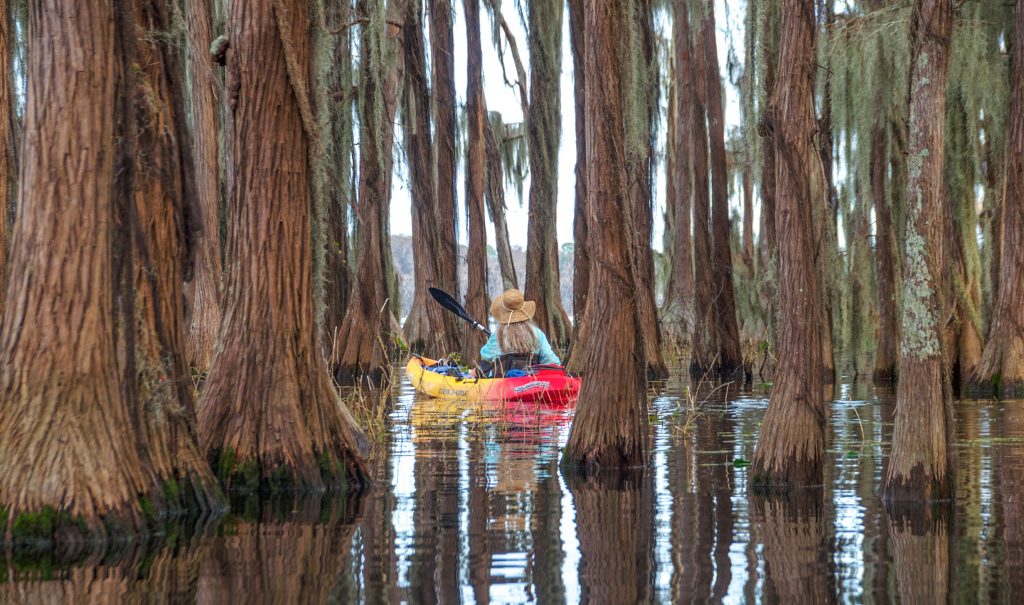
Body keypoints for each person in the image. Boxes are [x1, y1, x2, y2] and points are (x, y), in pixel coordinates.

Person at [479, 289, 561, 373]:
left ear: (502, 312)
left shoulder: (497, 336)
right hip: (530, 382)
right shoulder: (537, 333)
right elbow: (552, 361)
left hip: (501, 383)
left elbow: (485, 356)